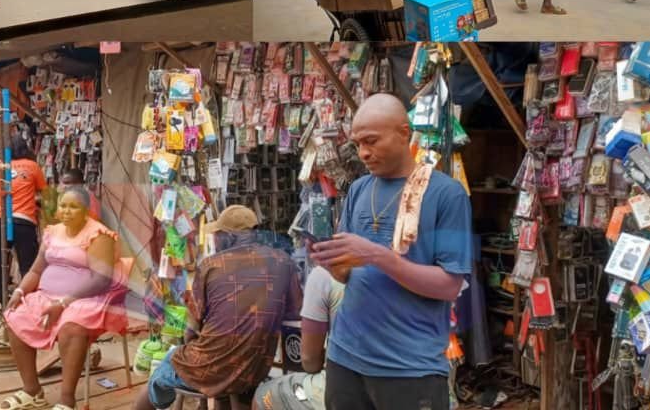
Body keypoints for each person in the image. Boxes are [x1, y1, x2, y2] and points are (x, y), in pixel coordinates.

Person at [310, 94, 471, 410]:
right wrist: (332, 264)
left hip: (409, 365)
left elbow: (449, 285)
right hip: (346, 356)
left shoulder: (447, 194)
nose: (363, 153)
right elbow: (349, 274)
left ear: (403, 132)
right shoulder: (358, 189)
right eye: (357, 144)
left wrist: (376, 255)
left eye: (371, 141)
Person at [135, 205, 301, 410]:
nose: (215, 240)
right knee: (225, 376)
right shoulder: (284, 261)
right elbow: (294, 313)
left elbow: (190, 332)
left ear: (229, 236)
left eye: (218, 235)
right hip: (255, 367)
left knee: (165, 367)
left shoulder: (212, 266)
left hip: (211, 368)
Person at [0, 186, 128, 410]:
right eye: (63, 206)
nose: (66, 211)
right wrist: (20, 291)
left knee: (72, 328)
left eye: (73, 207)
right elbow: (36, 271)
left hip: (86, 298)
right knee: (15, 317)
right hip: (48, 296)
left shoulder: (98, 234)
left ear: (86, 210)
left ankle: (67, 400)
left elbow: (101, 280)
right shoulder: (53, 231)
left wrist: (63, 302)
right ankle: (32, 391)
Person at [253, 256, 344, 410]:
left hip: (344, 390)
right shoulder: (395, 269)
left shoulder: (325, 274)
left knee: (263, 395)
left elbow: (309, 361)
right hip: (392, 389)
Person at [0, 136, 47, 306]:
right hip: (24, 221)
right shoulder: (32, 166)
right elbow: (44, 193)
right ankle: (29, 303)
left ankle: (3, 302)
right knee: (28, 264)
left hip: (0, 220)